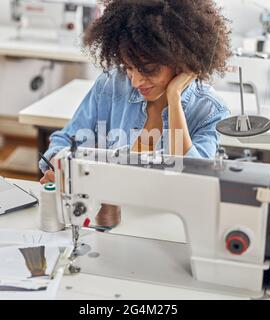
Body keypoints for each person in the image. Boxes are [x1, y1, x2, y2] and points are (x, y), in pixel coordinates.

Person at [39, 0, 231, 228]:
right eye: (128, 67)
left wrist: (174, 98)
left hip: (166, 228)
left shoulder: (209, 110)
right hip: (111, 221)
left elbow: (194, 182)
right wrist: (60, 166)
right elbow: (63, 141)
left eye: (148, 69)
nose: (136, 80)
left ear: (182, 61)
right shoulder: (110, 86)